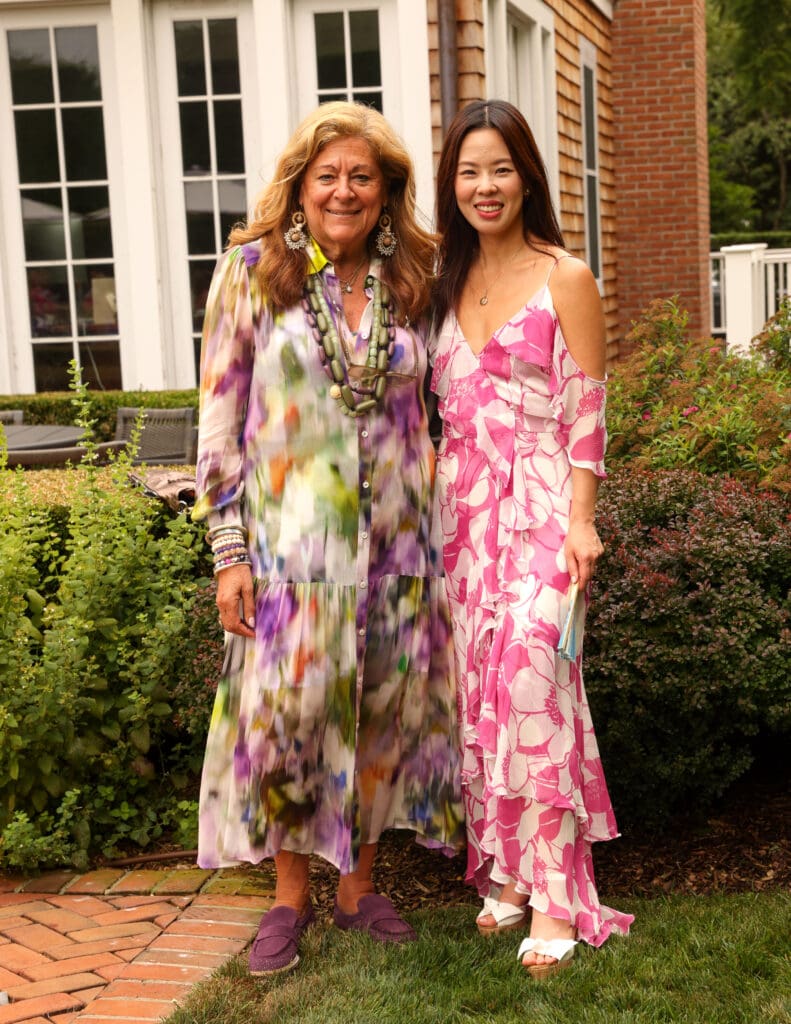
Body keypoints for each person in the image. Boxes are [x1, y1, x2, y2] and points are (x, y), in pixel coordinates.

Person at [193, 101, 464, 976]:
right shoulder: (250, 273)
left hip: (397, 551)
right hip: (289, 556)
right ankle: (287, 900)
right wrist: (228, 553)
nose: (344, 191)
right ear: (299, 188)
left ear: (386, 195)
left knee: (382, 716)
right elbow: (220, 421)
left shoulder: (414, 280)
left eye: (362, 177)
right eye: (327, 177)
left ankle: (359, 889)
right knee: (288, 724)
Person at [429, 99, 633, 977]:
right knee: (479, 696)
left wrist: (581, 520)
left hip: (544, 506)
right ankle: (507, 874)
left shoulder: (567, 278)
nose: (485, 185)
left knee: (533, 691)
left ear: (526, 178)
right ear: (453, 183)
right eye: (469, 170)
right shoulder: (441, 283)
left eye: (500, 168)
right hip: (461, 519)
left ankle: (556, 894)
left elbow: (587, 409)